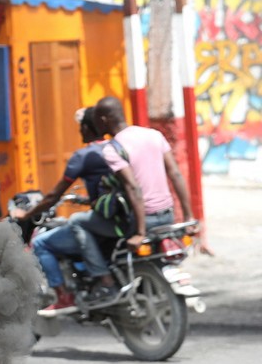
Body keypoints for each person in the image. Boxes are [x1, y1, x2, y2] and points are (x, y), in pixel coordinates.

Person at [72, 96, 199, 296]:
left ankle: (105, 279)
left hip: (142, 220)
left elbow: (133, 188)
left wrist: (139, 232)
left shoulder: (113, 149)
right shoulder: (154, 135)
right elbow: (175, 173)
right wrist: (189, 216)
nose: (94, 124)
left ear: (104, 120)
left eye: (96, 119)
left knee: (78, 221)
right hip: (167, 215)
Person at [9, 107, 111, 316]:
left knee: (41, 243)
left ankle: (63, 296)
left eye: (80, 127)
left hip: (103, 220)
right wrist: (87, 200)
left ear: (85, 128)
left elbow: (52, 197)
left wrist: (26, 214)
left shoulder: (83, 156)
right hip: (116, 216)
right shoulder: (115, 148)